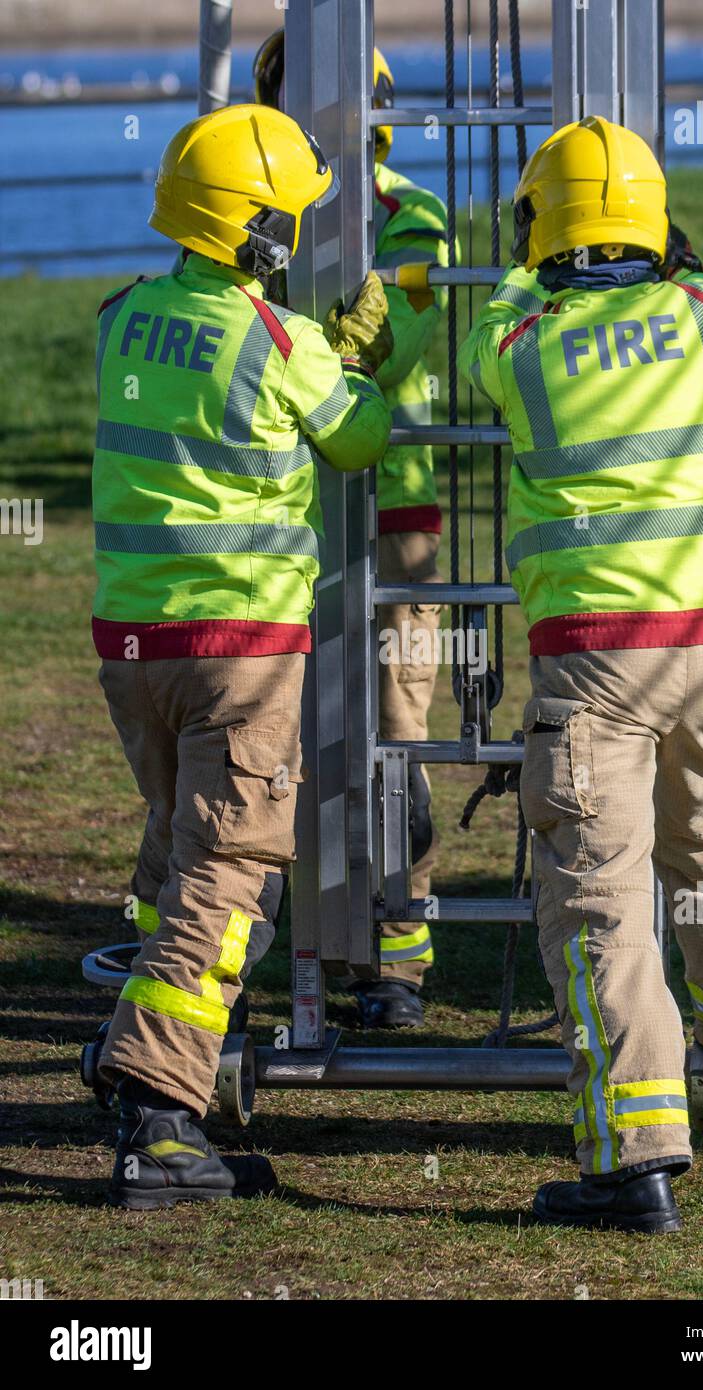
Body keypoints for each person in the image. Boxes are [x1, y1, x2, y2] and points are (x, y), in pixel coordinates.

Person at [458, 115, 703, 1233]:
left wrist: (523, 259)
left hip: (597, 659)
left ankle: (635, 1157)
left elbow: (492, 329)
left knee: (601, 897)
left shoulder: (521, 344)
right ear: (653, 223)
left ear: (539, 226)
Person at [92, 102, 393, 1208]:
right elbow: (356, 437)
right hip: (241, 647)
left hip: (135, 644)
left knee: (178, 854)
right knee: (225, 873)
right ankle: (158, 1111)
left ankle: (140, 1058)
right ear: (257, 235)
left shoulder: (121, 318)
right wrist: (353, 357)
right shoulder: (279, 342)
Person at [254, 36, 455, 1027]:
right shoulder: (252, 215)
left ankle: (396, 961)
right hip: (282, 516)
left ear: (372, 106)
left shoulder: (414, 216)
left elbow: (388, 338)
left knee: (395, 734)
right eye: (296, 97)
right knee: (275, 733)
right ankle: (283, 940)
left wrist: (285, 351)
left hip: (392, 510)